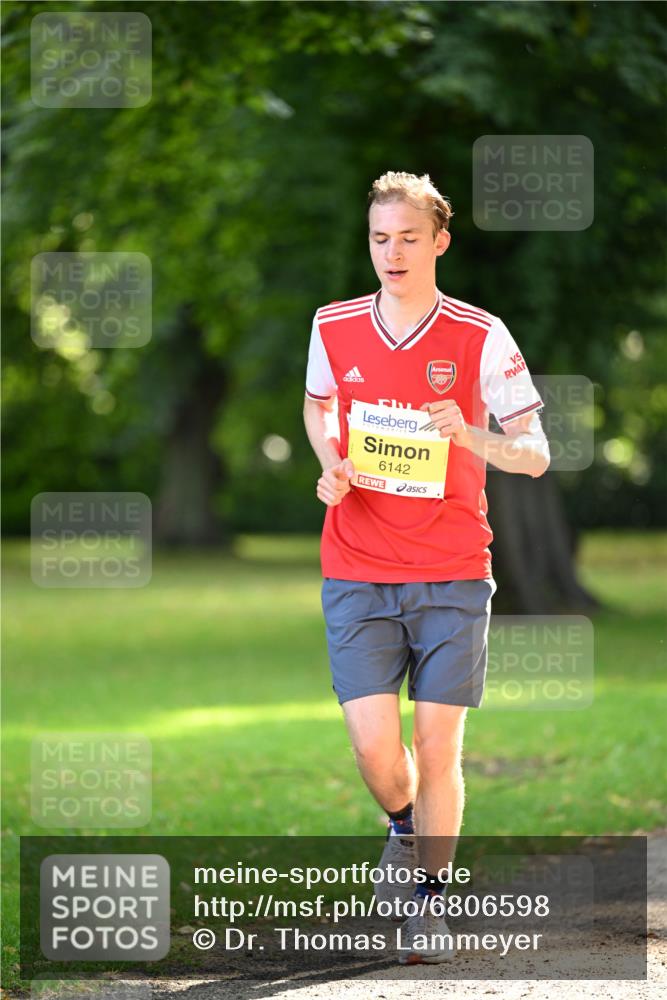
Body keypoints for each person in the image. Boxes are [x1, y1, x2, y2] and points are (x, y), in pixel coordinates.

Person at [303, 171, 549, 964]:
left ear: (439, 241)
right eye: (380, 238)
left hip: (450, 569)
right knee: (377, 752)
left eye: (409, 237)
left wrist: (467, 435)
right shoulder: (334, 325)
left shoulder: (480, 334)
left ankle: (426, 906)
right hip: (356, 566)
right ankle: (402, 827)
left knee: (436, 748)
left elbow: (536, 455)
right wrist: (332, 461)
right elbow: (316, 406)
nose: (393, 252)